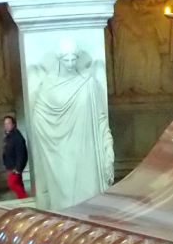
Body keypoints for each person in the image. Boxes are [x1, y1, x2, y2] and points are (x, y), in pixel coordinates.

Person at [30, 41, 114, 208]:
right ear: (59, 60)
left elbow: (100, 118)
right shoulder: (49, 85)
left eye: (73, 59)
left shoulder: (88, 84)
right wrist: (51, 134)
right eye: (66, 60)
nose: (70, 64)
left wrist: (107, 145)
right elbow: (38, 117)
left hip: (87, 152)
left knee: (90, 198)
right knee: (65, 200)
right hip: (60, 154)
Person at [2, 115, 29, 199]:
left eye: (9, 123)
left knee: (12, 183)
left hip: (15, 167)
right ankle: (23, 200)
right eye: (5, 124)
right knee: (19, 183)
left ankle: (25, 198)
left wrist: (18, 168)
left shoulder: (17, 137)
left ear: (13, 125)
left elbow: (21, 154)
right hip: (10, 165)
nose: (6, 125)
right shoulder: (9, 136)